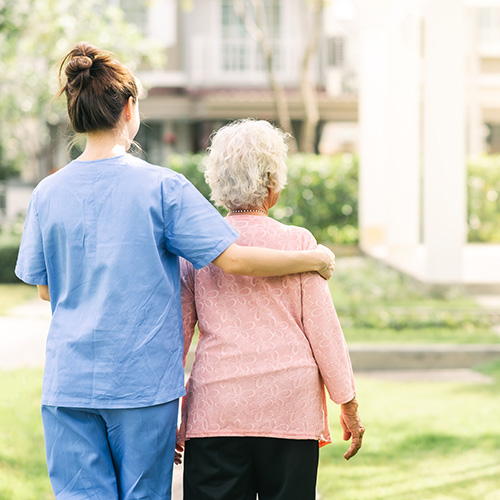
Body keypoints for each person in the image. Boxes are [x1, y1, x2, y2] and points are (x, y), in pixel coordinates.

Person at [14, 43, 335, 500]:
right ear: (130, 108)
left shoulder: (47, 193)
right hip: (142, 386)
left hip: (69, 384)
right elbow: (234, 258)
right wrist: (313, 259)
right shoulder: (162, 187)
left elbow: (46, 289)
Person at [177, 119, 365, 500]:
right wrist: (348, 405)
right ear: (272, 183)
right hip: (288, 409)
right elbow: (324, 333)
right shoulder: (299, 244)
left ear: (217, 181)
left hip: (217, 410)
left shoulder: (198, 249)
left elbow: (175, 339)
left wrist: (169, 416)